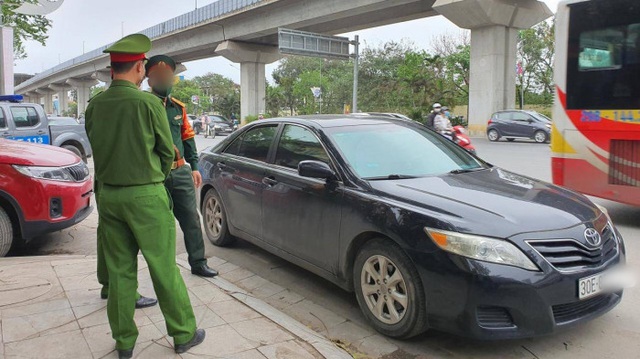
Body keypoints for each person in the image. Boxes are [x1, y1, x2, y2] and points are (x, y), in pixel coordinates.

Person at [85, 34, 204, 359]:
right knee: (163, 266)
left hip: (109, 197)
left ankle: (124, 343)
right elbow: (168, 151)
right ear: (140, 68)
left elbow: (95, 146)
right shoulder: (149, 103)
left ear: (112, 69)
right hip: (146, 196)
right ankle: (183, 334)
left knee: (121, 270)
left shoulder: (95, 104)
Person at [145, 54, 218, 277]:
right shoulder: (144, 106)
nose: (164, 81)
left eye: (168, 76)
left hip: (180, 171)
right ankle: (163, 270)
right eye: (159, 77)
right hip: (155, 174)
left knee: (192, 220)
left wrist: (194, 166)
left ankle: (198, 262)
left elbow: (187, 136)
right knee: (159, 225)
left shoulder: (178, 108)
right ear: (150, 80)